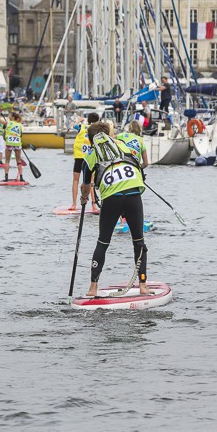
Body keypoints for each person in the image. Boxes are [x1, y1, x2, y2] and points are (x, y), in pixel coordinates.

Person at [82, 120, 150, 298]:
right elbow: (139, 165)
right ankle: (143, 286)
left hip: (112, 197)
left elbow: (86, 184)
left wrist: (83, 199)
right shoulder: (123, 145)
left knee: (103, 242)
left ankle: (92, 288)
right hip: (133, 192)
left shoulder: (91, 153)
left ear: (91, 140)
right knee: (138, 242)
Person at [70, 112, 101, 213]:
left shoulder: (81, 127)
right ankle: (93, 205)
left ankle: (74, 204)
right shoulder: (96, 130)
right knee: (91, 181)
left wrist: (79, 120)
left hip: (79, 157)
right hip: (89, 158)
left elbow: (72, 125)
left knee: (75, 180)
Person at [2, 109, 26, 183]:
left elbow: (4, 134)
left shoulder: (8, 123)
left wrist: (6, 138)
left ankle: (6, 177)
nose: (8, 116)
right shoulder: (19, 124)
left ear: (12, 117)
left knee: (7, 161)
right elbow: (21, 135)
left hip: (9, 142)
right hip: (17, 143)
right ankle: (21, 177)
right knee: (19, 161)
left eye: (9, 115)